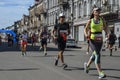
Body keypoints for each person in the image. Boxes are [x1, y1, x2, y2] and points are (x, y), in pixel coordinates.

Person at [84, 7, 109, 79]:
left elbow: (105, 27)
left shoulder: (102, 20)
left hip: (100, 39)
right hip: (92, 40)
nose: (98, 11)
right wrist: (86, 35)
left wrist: (107, 33)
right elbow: (85, 29)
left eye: (99, 10)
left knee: (95, 54)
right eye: (96, 11)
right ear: (93, 12)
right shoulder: (90, 21)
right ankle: (100, 72)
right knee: (98, 54)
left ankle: (87, 65)